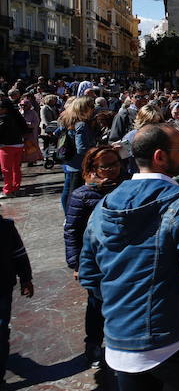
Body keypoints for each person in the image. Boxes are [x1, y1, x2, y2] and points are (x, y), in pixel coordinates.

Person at [78, 124, 179, 391]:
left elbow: (89, 271)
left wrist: (120, 308)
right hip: (172, 339)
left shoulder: (105, 203)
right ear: (160, 156)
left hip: (120, 342)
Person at [64, 146, 123, 368]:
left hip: (122, 257)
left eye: (115, 164)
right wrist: (76, 263)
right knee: (96, 304)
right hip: (96, 261)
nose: (112, 170)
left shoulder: (127, 186)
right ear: (92, 168)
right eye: (105, 166)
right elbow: (72, 230)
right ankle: (94, 343)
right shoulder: (82, 194)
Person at [1, 209, 34, 389]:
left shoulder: (6, 227)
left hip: (3, 286)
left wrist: (26, 278)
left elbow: (19, 253)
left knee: (1, 329)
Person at [59, 97, 97, 211]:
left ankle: (68, 215)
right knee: (74, 193)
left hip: (70, 162)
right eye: (91, 106)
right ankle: (70, 216)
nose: (93, 109)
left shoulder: (68, 120)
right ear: (84, 108)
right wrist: (97, 150)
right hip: (79, 165)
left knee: (68, 190)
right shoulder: (81, 124)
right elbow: (81, 148)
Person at [0, 100, 27, 199]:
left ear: (4, 109)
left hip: (7, 147)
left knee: (6, 170)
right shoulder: (16, 116)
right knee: (16, 168)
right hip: (19, 145)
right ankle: (16, 187)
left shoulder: (3, 118)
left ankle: (8, 190)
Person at [19, 101, 42, 166]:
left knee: (31, 147)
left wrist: (27, 124)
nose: (23, 106)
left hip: (31, 133)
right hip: (22, 133)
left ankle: (31, 160)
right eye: (22, 105)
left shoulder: (33, 113)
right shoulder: (20, 112)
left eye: (25, 105)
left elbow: (36, 122)